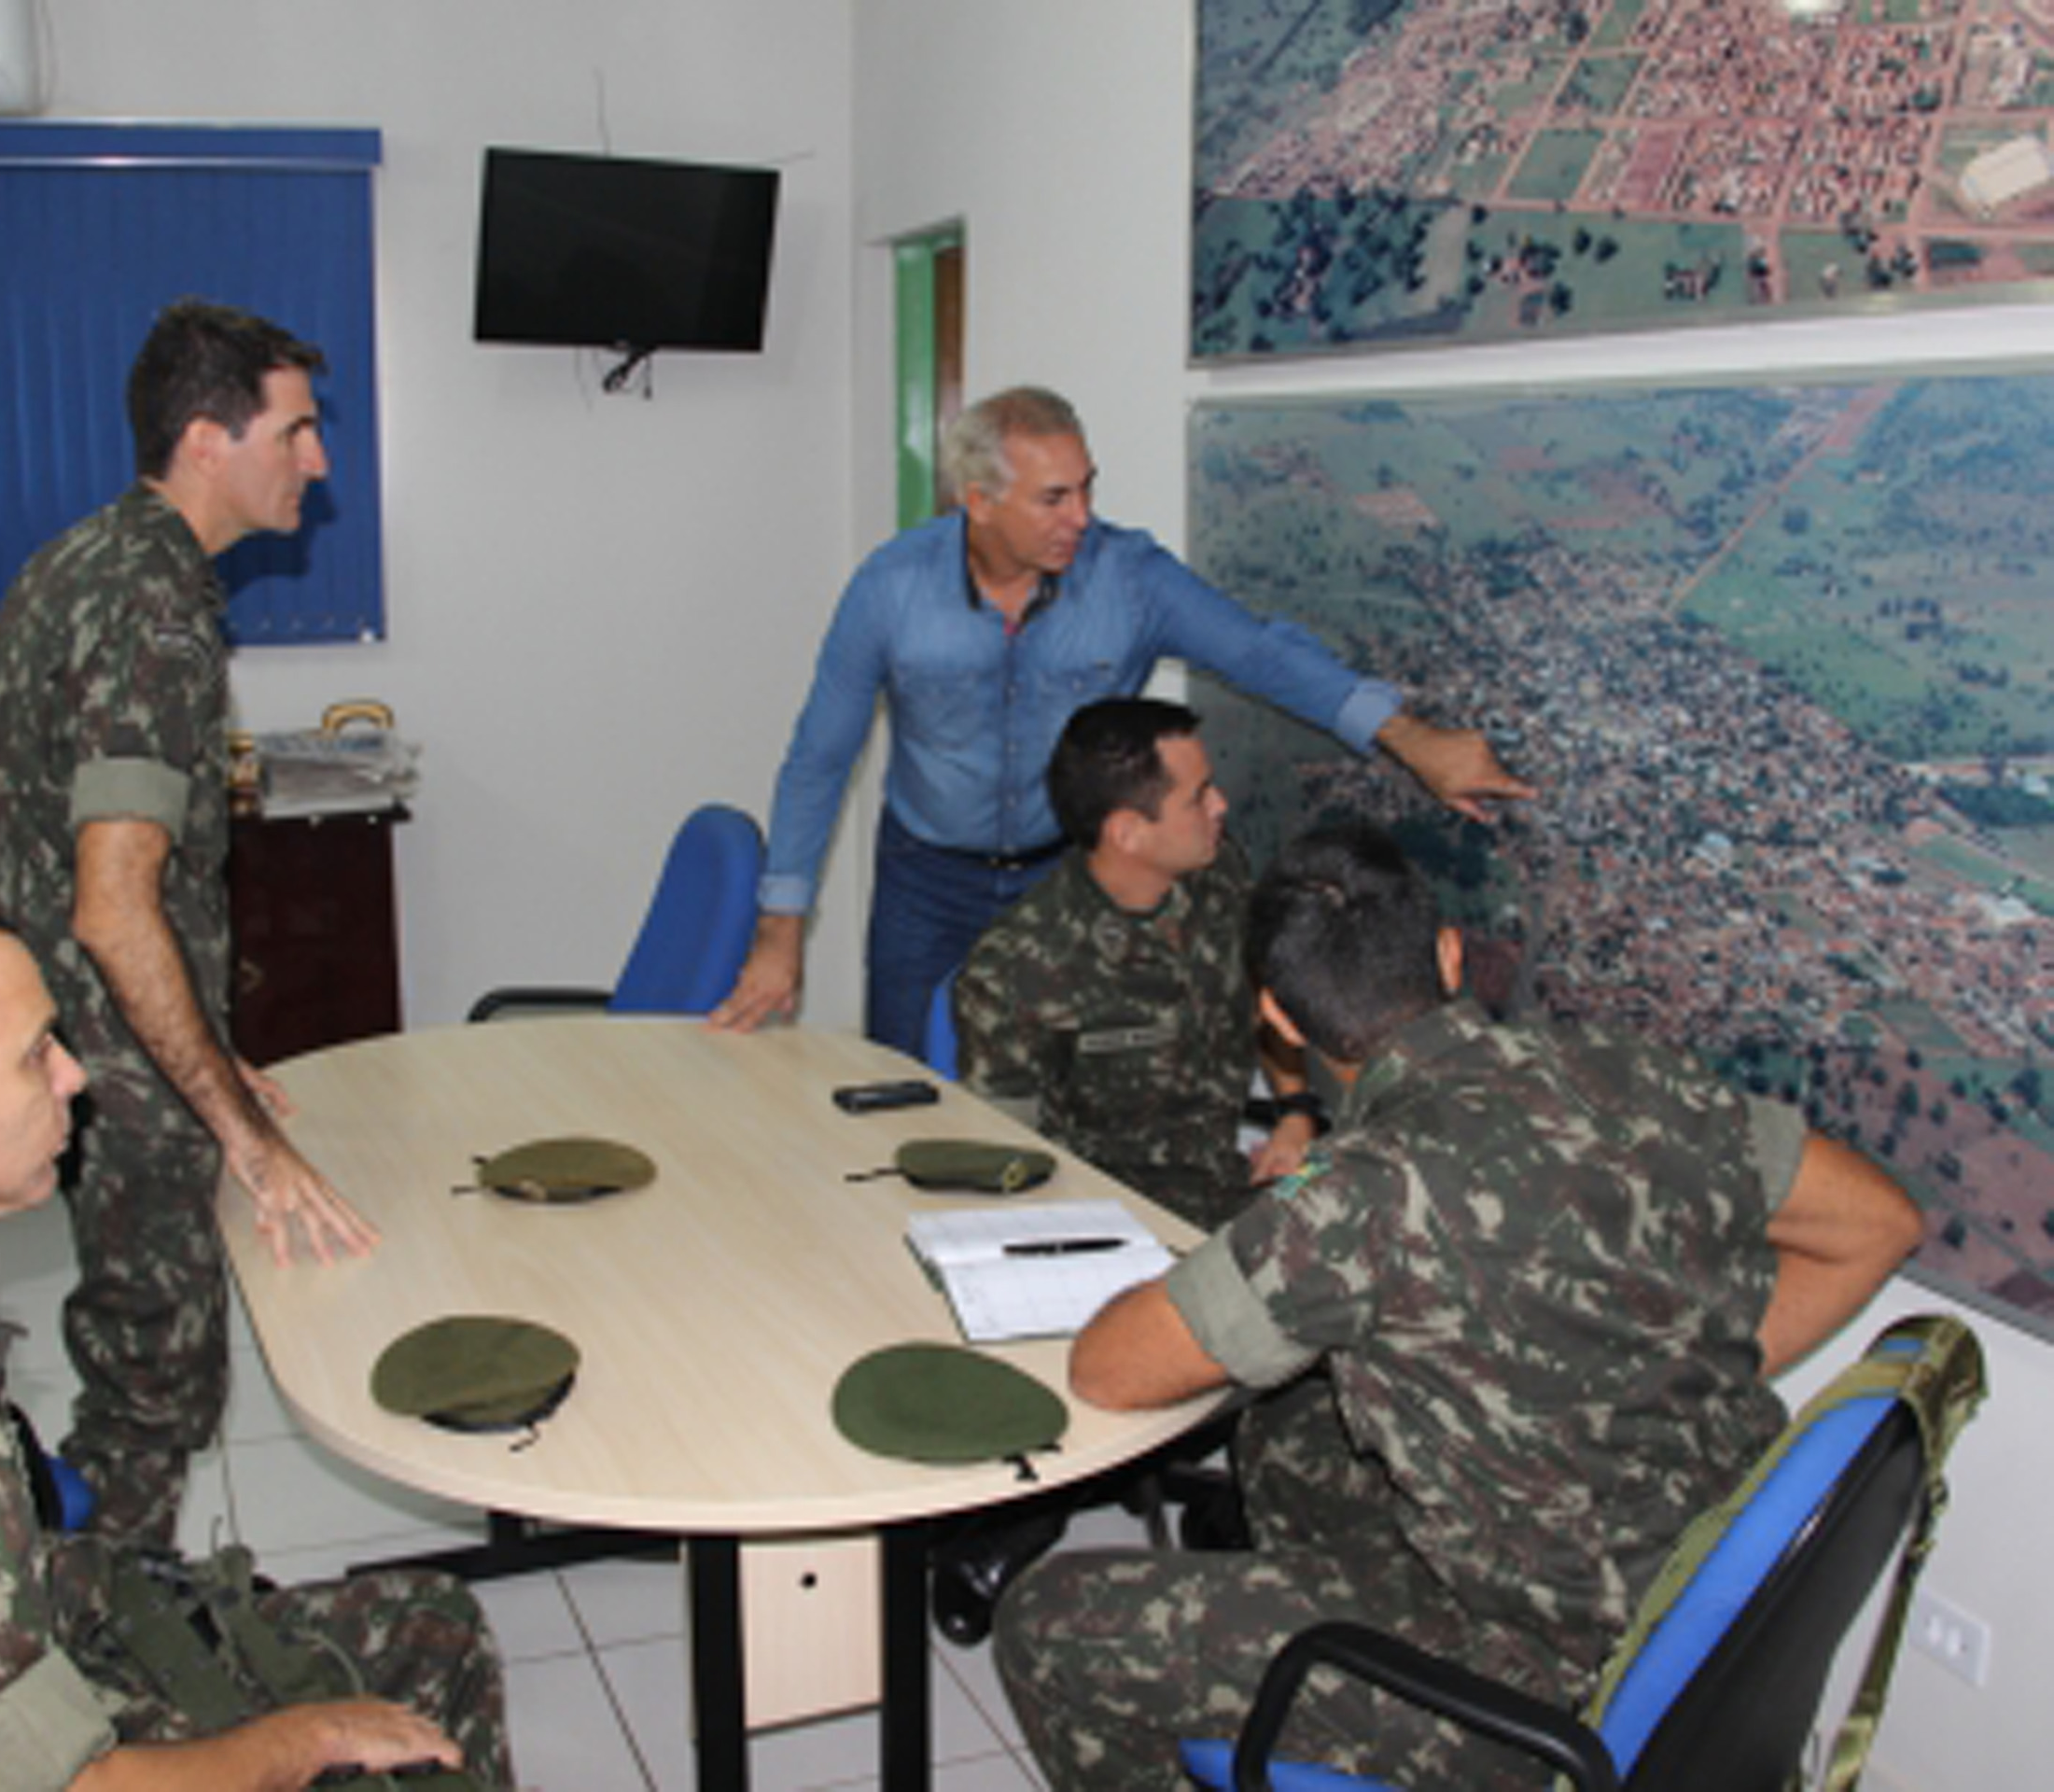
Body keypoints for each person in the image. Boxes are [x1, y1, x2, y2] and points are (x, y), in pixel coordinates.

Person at [995, 822, 1924, 1790]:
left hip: (1552, 1680)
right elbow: (1880, 1224)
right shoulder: (1636, 1075)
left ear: (1277, 1014)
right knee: (1290, 1436)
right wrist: (1681, 1359)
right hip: (1705, 1583)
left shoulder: (1353, 1200)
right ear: (1447, 954)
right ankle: (1311, 1688)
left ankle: (1369, 1712)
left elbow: (1107, 1367)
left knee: (1051, 1623)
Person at [0, 894, 512, 1790]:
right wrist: (305, 1740)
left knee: (422, 1616)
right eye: (36, 1052)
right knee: (432, 1646)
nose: (72, 1074)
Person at [709, 385, 1534, 1057]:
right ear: (979, 502)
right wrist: (780, 934)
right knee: (900, 1081)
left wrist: (1410, 738)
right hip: (925, 876)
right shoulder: (889, 590)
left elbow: (1263, 655)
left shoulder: (1130, 579)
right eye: (1054, 498)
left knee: (1062, 1090)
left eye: (1088, 487)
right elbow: (819, 759)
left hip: (1066, 875)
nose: (1083, 517)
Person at [0, 297, 378, 1548]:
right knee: (156, 1391)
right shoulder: (155, 611)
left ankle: (113, 1615)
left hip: (87, 1048)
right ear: (210, 440)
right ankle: (114, 1648)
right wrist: (237, 1125)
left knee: (134, 1372)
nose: (317, 461)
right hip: (124, 1075)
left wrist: (204, 1045)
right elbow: (112, 906)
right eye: (297, 431)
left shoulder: (81, 560)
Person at [955, 696, 1318, 1236]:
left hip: (1230, 1197)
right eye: (1197, 798)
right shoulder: (1018, 968)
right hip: (1106, 1228)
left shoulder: (1221, 876)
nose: (1220, 806)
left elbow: (1268, 1004)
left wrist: (1296, 1114)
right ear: (1127, 832)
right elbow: (1005, 1164)